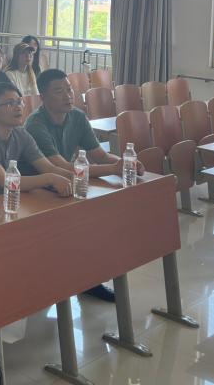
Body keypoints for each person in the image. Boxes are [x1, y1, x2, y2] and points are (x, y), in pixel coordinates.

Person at [24, 68, 140, 303]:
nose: (68, 95)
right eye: (59, 91)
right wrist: (114, 169)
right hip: (37, 190)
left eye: (69, 89)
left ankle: (89, 280)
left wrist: (126, 162)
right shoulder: (35, 124)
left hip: (66, 185)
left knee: (97, 217)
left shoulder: (77, 117)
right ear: (43, 97)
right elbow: (62, 167)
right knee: (83, 219)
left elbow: (100, 156)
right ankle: (67, 279)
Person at [0, 82, 73, 202]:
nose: (18, 107)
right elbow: (4, 181)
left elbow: (48, 168)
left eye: (19, 101)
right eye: (10, 103)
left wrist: (75, 176)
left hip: (6, 198)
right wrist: (50, 179)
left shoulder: (20, 134)